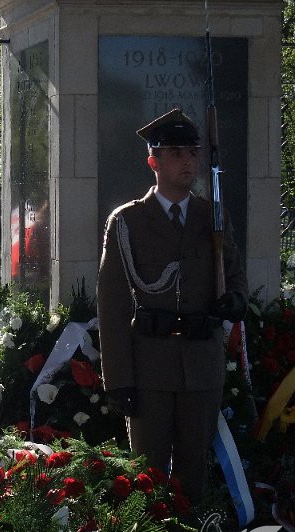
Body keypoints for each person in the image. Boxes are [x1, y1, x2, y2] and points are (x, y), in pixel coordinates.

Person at [97, 108, 248, 502]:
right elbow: (112, 307)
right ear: (154, 162)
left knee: (193, 472)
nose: (188, 161)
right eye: (177, 153)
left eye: (193, 153)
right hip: (150, 366)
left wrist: (235, 300)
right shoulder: (128, 222)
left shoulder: (212, 217)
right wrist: (119, 379)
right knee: (146, 476)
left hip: (201, 365)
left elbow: (235, 275)